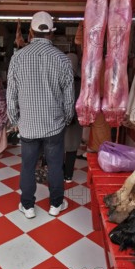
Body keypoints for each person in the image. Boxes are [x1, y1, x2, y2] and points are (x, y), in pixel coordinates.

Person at [7, 11, 74, 218]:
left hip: (27, 125)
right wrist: (67, 118)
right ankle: (55, 205)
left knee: (27, 165)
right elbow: (69, 97)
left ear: (30, 32)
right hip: (54, 125)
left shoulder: (18, 58)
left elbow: (11, 94)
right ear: (51, 34)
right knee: (55, 165)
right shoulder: (62, 60)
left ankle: (27, 207)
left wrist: (14, 120)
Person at [64, 52, 83, 182]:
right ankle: (68, 175)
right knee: (72, 147)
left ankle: (59, 172)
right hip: (76, 119)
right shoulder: (83, 82)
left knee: (59, 146)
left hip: (62, 118)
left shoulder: (61, 79)